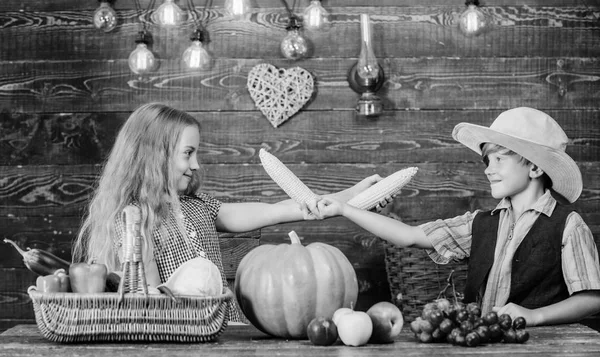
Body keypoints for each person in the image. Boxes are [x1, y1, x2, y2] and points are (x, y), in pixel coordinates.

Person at [72, 102, 380, 322]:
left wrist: (350, 196)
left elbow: (279, 210)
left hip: (227, 327)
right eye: (188, 154)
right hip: (182, 331)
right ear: (154, 155)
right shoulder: (134, 219)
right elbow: (153, 300)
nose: (195, 165)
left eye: (197, 153)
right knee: (200, 272)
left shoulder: (201, 206)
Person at [315, 107, 600, 326]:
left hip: (543, 349)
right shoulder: (481, 223)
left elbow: (591, 299)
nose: (489, 169)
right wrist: (345, 209)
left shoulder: (568, 226)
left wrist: (535, 316)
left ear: (536, 169)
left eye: (500, 159)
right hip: (486, 344)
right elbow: (410, 236)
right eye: (488, 161)